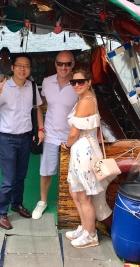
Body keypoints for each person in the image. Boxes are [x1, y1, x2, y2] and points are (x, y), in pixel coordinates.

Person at [0, 53, 45, 230]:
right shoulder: (4, 88)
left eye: (26, 66)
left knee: (20, 176)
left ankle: (16, 204)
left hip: (25, 138)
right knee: (8, 179)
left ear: (29, 69)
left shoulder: (32, 86)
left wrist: (40, 129)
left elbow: (37, 108)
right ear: (12, 68)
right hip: (7, 140)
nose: (22, 69)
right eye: (19, 65)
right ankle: (1, 213)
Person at [32, 50, 78, 220]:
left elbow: (89, 104)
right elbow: (41, 104)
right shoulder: (46, 82)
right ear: (55, 64)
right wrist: (40, 129)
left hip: (72, 136)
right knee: (46, 171)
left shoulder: (78, 83)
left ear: (73, 64)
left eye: (67, 64)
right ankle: (42, 201)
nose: (63, 67)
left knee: (71, 173)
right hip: (50, 133)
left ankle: (70, 203)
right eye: (60, 63)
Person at [63, 67, 105, 248]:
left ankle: (91, 234)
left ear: (89, 82)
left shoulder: (86, 102)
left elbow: (74, 133)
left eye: (81, 81)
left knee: (83, 195)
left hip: (84, 151)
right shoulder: (83, 99)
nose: (77, 85)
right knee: (75, 191)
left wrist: (67, 144)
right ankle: (85, 228)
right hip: (80, 150)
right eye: (74, 82)